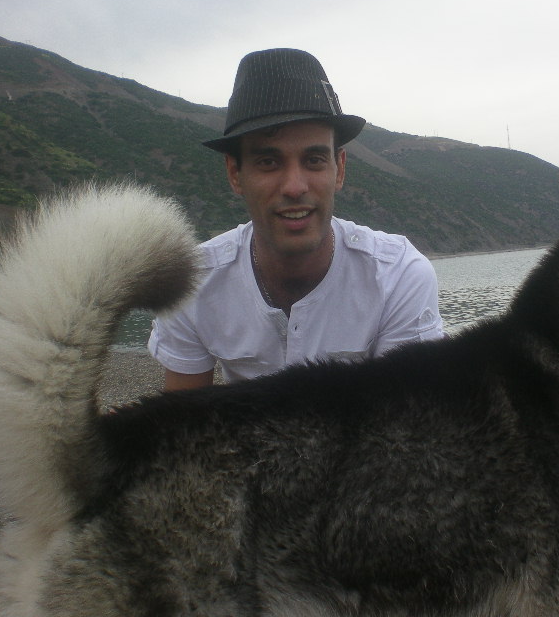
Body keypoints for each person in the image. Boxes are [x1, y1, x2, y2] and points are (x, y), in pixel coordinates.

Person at [148, 48, 444, 391]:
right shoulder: (191, 283)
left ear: (339, 169)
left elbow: (407, 417)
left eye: (314, 160)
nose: (294, 187)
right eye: (268, 162)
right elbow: (182, 417)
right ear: (235, 173)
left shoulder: (399, 277)